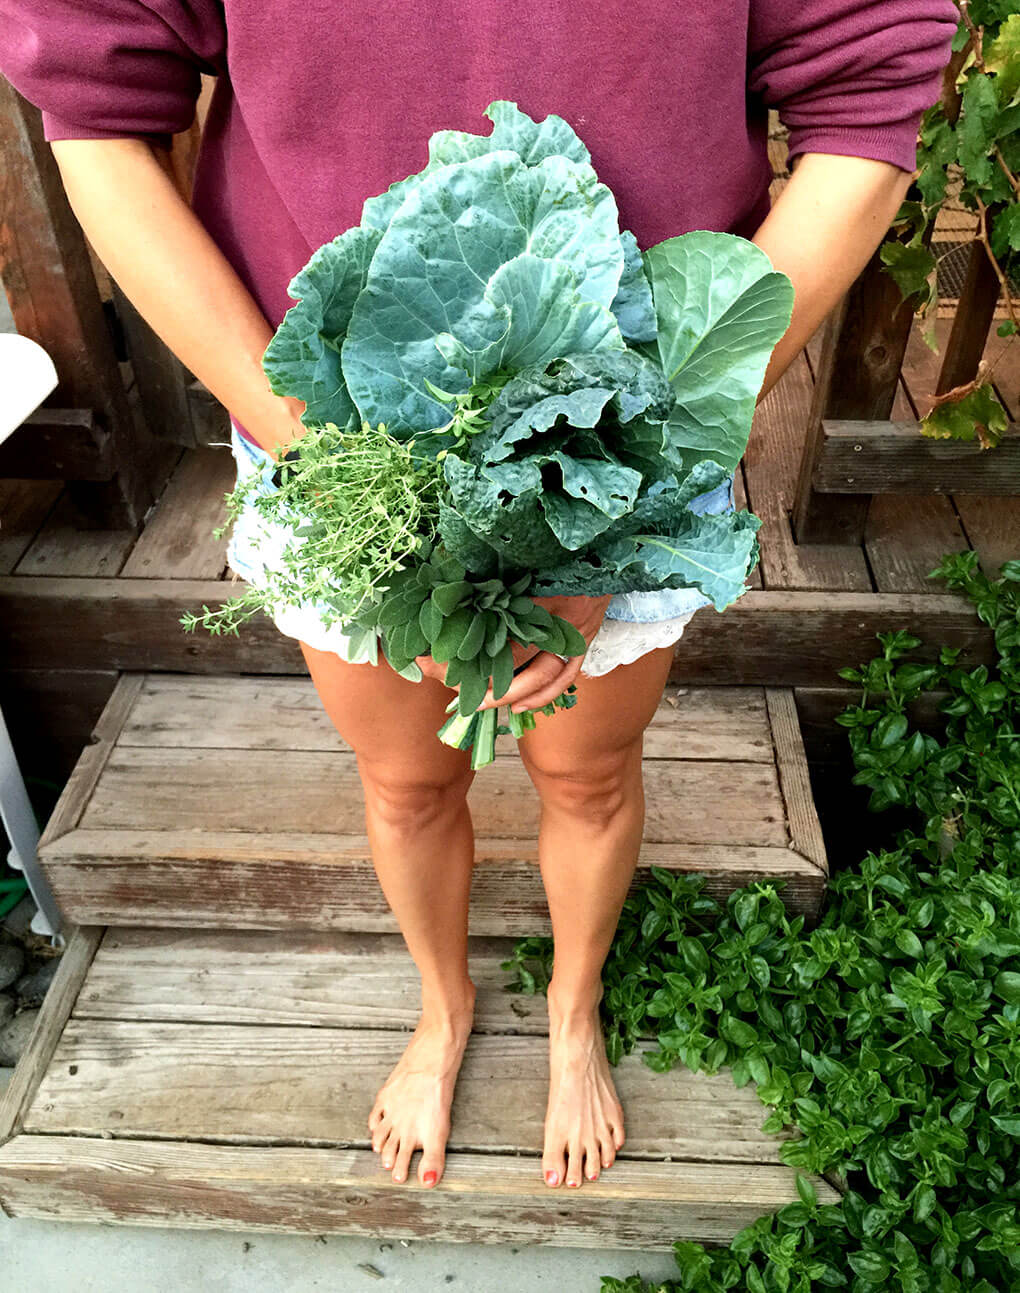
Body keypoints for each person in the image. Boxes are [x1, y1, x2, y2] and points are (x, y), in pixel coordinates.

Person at [0, 0, 957, 1193]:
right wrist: (359, 489)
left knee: (589, 775)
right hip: (325, 442)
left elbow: (866, 109)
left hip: (632, 437)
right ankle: (444, 1008)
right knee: (406, 780)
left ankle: (570, 1009)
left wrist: (610, 483)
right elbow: (97, 112)